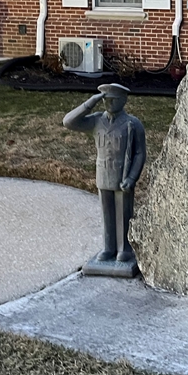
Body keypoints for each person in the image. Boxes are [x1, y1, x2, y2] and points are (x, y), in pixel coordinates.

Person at [63, 83, 147, 265]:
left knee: (123, 213)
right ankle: (108, 247)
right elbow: (68, 122)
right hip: (103, 174)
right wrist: (90, 103)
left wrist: (132, 178)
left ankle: (124, 249)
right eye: (105, 100)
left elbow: (140, 153)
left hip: (123, 175)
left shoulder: (132, 124)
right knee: (106, 213)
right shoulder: (96, 121)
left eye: (113, 100)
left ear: (123, 100)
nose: (109, 103)